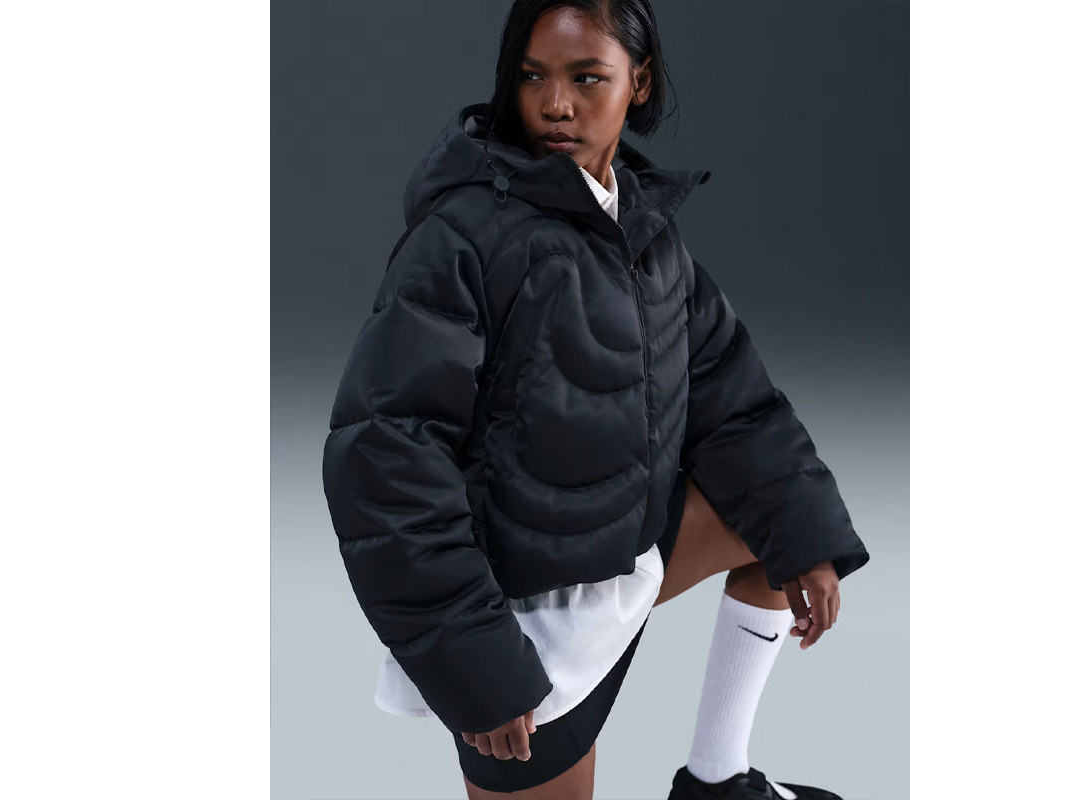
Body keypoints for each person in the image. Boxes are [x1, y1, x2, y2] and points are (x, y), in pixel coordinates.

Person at [320, 2, 870, 798]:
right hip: (524, 629)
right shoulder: (464, 237)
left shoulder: (646, 232)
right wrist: (476, 666)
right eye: (532, 77)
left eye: (586, 78)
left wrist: (807, 540)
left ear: (637, 82)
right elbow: (382, 457)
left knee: (774, 522)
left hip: (626, 563)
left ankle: (715, 781)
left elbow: (735, 402)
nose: (555, 105)